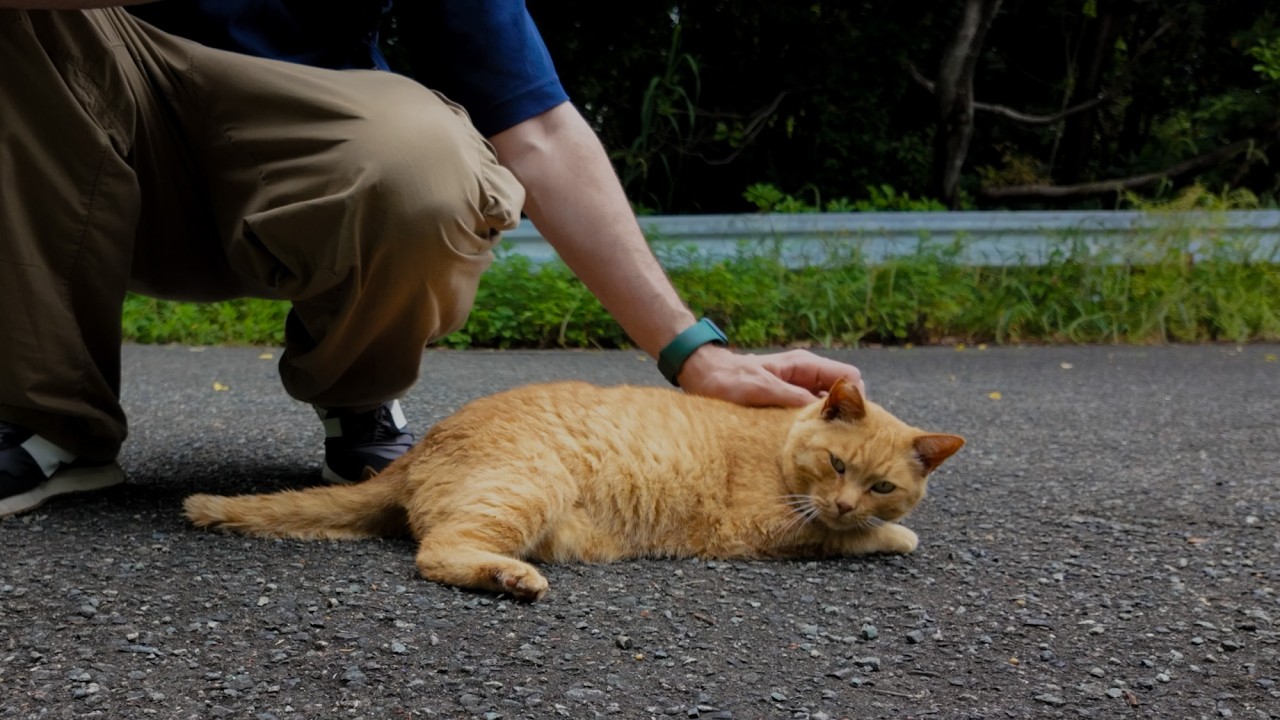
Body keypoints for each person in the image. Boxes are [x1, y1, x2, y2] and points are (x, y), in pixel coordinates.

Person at [0, 0, 865, 517]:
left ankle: (360, 389)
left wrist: (693, 353)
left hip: (310, 185)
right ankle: (54, 419)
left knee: (423, 157)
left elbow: (541, 126)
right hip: (84, 169)